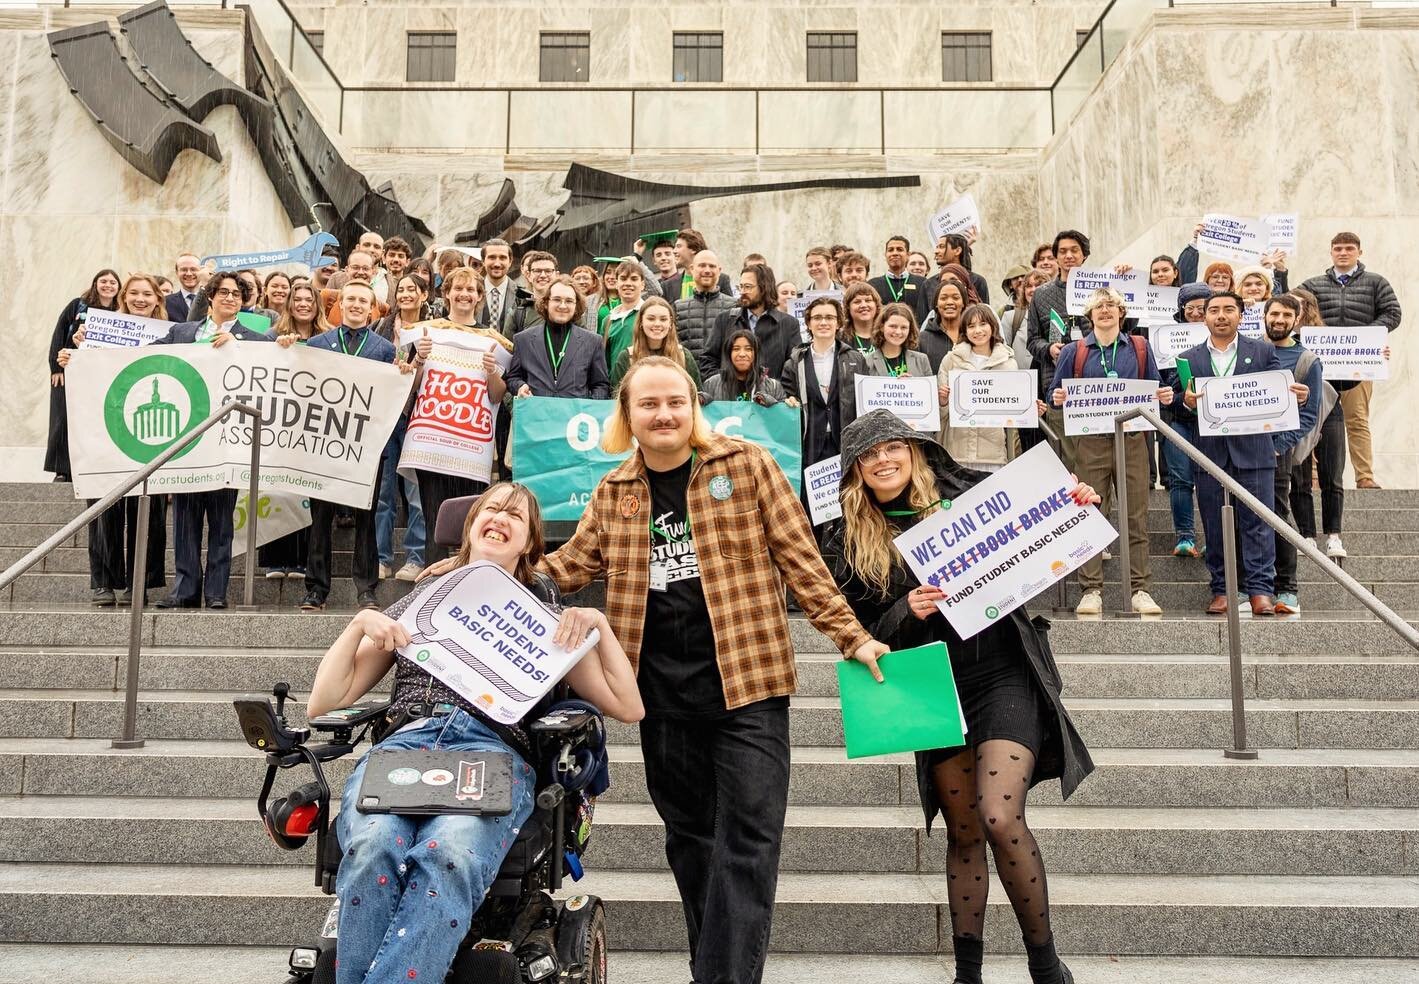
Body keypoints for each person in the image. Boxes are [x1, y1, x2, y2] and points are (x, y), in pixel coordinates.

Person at [525, 357, 889, 984]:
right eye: (648, 404)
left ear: (694, 405)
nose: (663, 414)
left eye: (675, 401)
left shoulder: (746, 466)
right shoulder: (616, 494)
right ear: (627, 416)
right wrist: (470, 575)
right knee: (690, 843)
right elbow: (563, 569)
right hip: (660, 695)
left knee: (749, 840)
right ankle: (714, 966)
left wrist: (852, 638)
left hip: (749, 685)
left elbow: (801, 560)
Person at [314, 481, 643, 984]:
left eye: (516, 516)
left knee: (446, 856)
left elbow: (628, 705)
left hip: (490, 754)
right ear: (471, 526)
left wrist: (596, 620)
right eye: (492, 508)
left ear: (530, 542)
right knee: (373, 850)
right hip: (407, 741)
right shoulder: (422, 604)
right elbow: (325, 699)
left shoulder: (547, 623)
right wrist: (359, 623)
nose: (501, 518)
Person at [822, 409, 1095, 984]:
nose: (883, 460)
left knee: (998, 815)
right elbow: (852, 628)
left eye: (893, 447)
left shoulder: (969, 494)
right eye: (868, 456)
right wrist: (904, 609)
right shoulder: (846, 539)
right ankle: (966, 974)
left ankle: (1046, 967)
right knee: (964, 830)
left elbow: (1042, 525)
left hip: (1002, 673)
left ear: (916, 451)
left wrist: (1075, 506)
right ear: (855, 473)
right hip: (932, 688)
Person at [1174, 291, 1308, 616]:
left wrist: (1296, 398)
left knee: (1258, 524)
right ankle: (1222, 589)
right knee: (1215, 526)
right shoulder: (1188, 358)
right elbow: (1179, 409)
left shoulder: (1262, 351)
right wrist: (1185, 402)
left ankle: (1261, 590)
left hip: (1254, 453)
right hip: (1210, 456)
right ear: (1204, 317)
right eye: (1214, 310)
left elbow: (1279, 395)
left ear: (1241, 315)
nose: (1221, 315)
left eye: (1229, 310)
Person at [151, 271, 275, 609]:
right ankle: (185, 589)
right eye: (224, 292)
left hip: (229, 443)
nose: (231, 298)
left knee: (222, 524)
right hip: (189, 441)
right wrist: (87, 350)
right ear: (210, 296)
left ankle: (216, 592)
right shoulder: (182, 332)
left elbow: (275, 367)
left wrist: (236, 347)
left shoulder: (254, 339)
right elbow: (142, 360)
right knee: (185, 522)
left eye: (237, 293)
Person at [1049, 287, 1172, 616]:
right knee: (1088, 515)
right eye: (1098, 306)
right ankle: (1090, 589)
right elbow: (1053, 394)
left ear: (1121, 312)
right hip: (1090, 441)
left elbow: (1156, 385)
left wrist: (1164, 396)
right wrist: (1058, 399)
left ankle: (1140, 589)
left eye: (1111, 305)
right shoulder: (1074, 351)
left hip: (1132, 441)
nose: (1105, 310)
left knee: (1136, 516)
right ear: (1090, 315)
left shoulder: (1139, 347)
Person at [57, 274, 170, 605]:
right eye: (133, 293)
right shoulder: (98, 332)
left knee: (146, 512)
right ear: (123, 298)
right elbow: (82, 371)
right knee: (103, 507)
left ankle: (139, 583)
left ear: (157, 300)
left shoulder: (173, 335)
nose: (140, 298)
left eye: (147, 293)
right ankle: (103, 582)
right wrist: (73, 355)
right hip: (105, 429)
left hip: (150, 433)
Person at [298, 281, 397, 612]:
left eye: (362, 300)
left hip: (366, 446)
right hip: (323, 443)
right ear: (339, 304)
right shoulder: (316, 344)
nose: (356, 304)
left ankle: (366, 590)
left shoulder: (384, 349)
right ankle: (316, 590)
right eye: (350, 299)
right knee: (321, 517)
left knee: (366, 519)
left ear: (371, 308)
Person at [406, 268, 509, 563]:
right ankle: (430, 586)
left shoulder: (495, 342)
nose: (464, 294)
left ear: (479, 297)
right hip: (430, 442)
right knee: (433, 520)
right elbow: (411, 387)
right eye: (458, 288)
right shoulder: (427, 333)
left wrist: (491, 371)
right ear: (446, 293)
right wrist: (419, 359)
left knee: (472, 523)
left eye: (471, 290)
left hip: (470, 446)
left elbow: (497, 395)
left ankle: (466, 582)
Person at [1299, 231, 1402, 489]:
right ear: (1331, 252)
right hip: (1321, 367)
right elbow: (1294, 306)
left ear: (1359, 252)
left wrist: (1368, 340)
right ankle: (1312, 475)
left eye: (1348, 248)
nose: (1343, 253)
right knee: (1314, 418)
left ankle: (1364, 476)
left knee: (1357, 420)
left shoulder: (1376, 283)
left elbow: (1392, 313)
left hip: (1360, 366)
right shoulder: (1313, 284)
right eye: (1338, 248)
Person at [1262, 294, 1324, 615]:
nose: (1280, 320)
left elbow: (1310, 415)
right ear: (1265, 315)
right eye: (1275, 313)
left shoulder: (1307, 361)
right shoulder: (1249, 351)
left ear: (1296, 320)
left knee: (1277, 514)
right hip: (1240, 448)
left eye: (1287, 315)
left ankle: (1287, 588)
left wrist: (1279, 444)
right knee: (1242, 515)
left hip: (1277, 449)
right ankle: (1251, 585)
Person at [369, 273, 432, 580]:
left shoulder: (435, 329)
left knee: (416, 493)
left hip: (420, 417)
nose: (406, 294)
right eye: (402, 290)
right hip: (385, 417)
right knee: (384, 492)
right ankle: (381, 558)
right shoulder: (381, 327)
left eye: (412, 290)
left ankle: (416, 557)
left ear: (424, 295)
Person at [1288, 286, 1352, 561]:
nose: (1298, 310)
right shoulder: (1278, 342)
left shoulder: (1327, 338)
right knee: (1298, 475)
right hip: (1296, 410)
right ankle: (1307, 535)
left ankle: (1333, 535)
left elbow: (1346, 381)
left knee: (1332, 472)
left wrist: (1372, 361)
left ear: (1310, 308)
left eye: (1302, 305)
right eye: (1292, 306)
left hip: (1329, 408)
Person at [783, 296, 869, 479]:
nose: (823, 322)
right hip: (810, 445)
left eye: (829, 317)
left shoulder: (855, 359)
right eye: (817, 318)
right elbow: (786, 397)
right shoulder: (795, 362)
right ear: (808, 323)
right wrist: (788, 401)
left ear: (838, 323)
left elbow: (866, 402)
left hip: (845, 444)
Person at [47, 268, 119, 481]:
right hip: (70, 369)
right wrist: (56, 367)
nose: (108, 285)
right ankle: (62, 470)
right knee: (63, 420)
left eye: (113, 282)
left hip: (100, 375)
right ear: (95, 283)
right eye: (103, 281)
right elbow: (59, 333)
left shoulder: (120, 311)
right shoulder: (78, 305)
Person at [1158, 283, 1213, 559]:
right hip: (1177, 417)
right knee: (1180, 478)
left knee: (1210, 481)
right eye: (1189, 308)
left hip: (1211, 420)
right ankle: (1185, 537)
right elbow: (1160, 383)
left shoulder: (1222, 338)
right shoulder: (1166, 337)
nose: (1195, 313)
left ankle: (1213, 536)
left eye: (1201, 308)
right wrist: (1180, 397)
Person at [1026, 230, 1092, 454]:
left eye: (1075, 250)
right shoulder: (1041, 295)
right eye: (1062, 251)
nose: (1069, 256)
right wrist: (1048, 349)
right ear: (1056, 257)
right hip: (1057, 385)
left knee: (1097, 458)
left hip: (1096, 385)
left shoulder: (1102, 290)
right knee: (1065, 457)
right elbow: (1032, 340)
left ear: (1084, 255)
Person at [937, 304, 1019, 473]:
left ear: (993, 326)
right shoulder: (951, 360)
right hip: (956, 450)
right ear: (964, 331)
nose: (978, 330)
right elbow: (940, 414)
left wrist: (1031, 410)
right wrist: (943, 401)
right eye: (971, 326)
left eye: (983, 324)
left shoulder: (1008, 363)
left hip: (992, 453)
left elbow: (1014, 412)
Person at [507, 275, 611, 400]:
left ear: (576, 305)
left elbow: (601, 385)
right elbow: (513, 378)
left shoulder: (593, 342)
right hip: (536, 415)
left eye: (569, 301)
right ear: (546, 303)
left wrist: (587, 409)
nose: (563, 306)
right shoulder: (523, 340)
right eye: (557, 299)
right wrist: (520, 386)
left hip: (575, 417)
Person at [702, 262, 799, 383]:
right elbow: (708, 361)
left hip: (772, 399)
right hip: (730, 399)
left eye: (748, 287)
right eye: (741, 286)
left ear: (764, 288)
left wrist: (777, 391)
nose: (742, 291)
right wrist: (726, 384)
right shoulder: (724, 320)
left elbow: (794, 368)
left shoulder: (789, 324)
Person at [609, 296, 701, 390]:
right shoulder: (626, 358)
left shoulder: (683, 356)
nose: (657, 324)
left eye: (663, 319)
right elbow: (617, 398)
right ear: (641, 322)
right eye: (651, 319)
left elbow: (697, 395)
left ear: (670, 323)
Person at [671, 250, 735, 368]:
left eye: (712, 266)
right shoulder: (678, 307)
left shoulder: (734, 306)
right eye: (702, 265)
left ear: (719, 271)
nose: (707, 270)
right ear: (692, 269)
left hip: (722, 380)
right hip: (688, 378)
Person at [701, 328, 793, 406]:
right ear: (729, 354)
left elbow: (781, 420)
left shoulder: (773, 387)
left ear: (756, 354)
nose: (742, 354)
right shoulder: (711, 385)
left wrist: (788, 405)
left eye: (748, 349)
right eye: (736, 349)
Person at [868, 235, 929, 323]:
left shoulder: (922, 283)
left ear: (908, 255)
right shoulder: (872, 285)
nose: (895, 253)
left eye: (900, 249)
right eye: (890, 250)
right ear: (885, 255)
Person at [863, 301, 931, 380]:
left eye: (903, 327)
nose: (898, 332)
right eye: (893, 326)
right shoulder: (867, 362)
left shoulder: (922, 360)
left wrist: (914, 385)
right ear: (882, 327)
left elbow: (929, 391)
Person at [661, 228, 732, 299]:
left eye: (679, 246)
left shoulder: (722, 280)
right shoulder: (667, 286)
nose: (674, 251)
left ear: (693, 249)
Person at [918, 277, 969, 373]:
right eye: (943, 298)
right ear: (936, 303)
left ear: (963, 303)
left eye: (956, 298)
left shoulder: (973, 336)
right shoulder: (922, 339)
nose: (949, 302)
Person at [508, 251, 560, 334]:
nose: (543, 275)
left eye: (548, 271)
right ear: (528, 275)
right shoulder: (517, 314)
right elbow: (508, 346)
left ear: (557, 275)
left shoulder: (569, 310)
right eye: (537, 271)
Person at [841, 281, 883, 356]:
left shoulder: (886, 335)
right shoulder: (840, 339)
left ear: (876, 305)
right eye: (857, 302)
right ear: (848, 307)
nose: (863, 305)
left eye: (868, 300)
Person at [166, 252, 204, 321]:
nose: (189, 273)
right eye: (184, 269)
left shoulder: (212, 301)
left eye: (193, 269)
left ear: (201, 271)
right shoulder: (165, 302)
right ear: (177, 273)